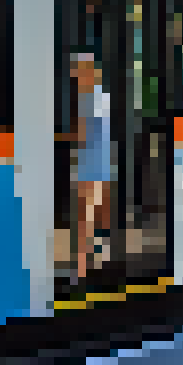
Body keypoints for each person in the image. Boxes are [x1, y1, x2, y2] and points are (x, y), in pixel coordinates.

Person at [69, 57, 115, 280]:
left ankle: (81, 266)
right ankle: (99, 259)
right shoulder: (102, 96)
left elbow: (84, 133)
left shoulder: (89, 98)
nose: (75, 77)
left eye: (78, 73)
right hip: (101, 162)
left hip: (91, 162)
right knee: (97, 213)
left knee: (85, 215)